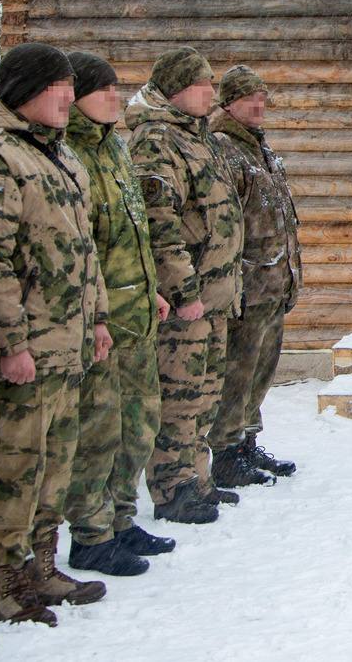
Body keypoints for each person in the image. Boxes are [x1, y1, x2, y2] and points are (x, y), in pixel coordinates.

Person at [0, 43, 112, 624]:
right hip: (28, 350)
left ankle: (44, 567)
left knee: (56, 464)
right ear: (30, 89)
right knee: (15, 469)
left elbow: (85, 251)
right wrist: (11, 345)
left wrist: (98, 319)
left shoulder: (60, 155)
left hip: (69, 344)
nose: (70, 98)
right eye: (62, 87)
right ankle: (9, 585)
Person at [63, 52, 176, 577]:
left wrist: (151, 288)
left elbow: (136, 235)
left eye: (116, 87)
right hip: (99, 322)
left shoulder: (116, 151)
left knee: (139, 424)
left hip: (136, 313)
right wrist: (98, 317)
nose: (114, 95)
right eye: (101, 89)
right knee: (99, 432)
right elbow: (82, 250)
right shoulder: (72, 155)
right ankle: (90, 533)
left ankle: (122, 519)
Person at [127, 47, 245, 523]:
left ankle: (198, 478)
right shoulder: (156, 141)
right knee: (179, 395)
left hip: (216, 295)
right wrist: (183, 292)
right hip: (188, 301)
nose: (212, 94)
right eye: (204, 86)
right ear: (177, 89)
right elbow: (161, 225)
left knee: (207, 393)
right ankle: (172, 488)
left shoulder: (200, 138)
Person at [207, 66, 301, 480]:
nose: (259, 105)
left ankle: (247, 442)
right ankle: (227, 455)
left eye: (263, 97)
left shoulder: (259, 148)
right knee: (236, 373)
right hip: (247, 285)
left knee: (260, 371)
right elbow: (223, 226)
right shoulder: (224, 149)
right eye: (249, 98)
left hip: (273, 283)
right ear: (228, 102)